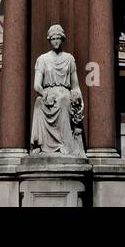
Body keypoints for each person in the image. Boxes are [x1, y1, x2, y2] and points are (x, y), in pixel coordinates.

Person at [30, 24, 85, 156]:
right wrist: (45, 94)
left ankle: (65, 144)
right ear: (49, 39)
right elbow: (37, 85)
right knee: (38, 102)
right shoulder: (42, 59)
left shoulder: (69, 59)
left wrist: (80, 100)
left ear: (62, 39)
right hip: (47, 94)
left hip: (64, 93)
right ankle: (39, 143)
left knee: (64, 100)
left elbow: (75, 85)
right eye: (53, 38)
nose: (56, 41)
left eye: (58, 38)